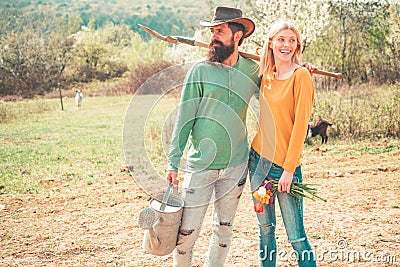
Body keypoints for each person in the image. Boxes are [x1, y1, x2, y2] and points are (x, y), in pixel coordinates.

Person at [165, 6, 260, 267]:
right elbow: (184, 119)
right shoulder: (200, 71)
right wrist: (173, 162)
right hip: (200, 167)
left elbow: (279, 88)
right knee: (186, 234)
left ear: (237, 36)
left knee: (224, 230)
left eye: (220, 31)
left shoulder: (253, 71)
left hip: (236, 166)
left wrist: (296, 68)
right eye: (212, 31)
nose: (213, 36)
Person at [249, 20, 317, 267]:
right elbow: (256, 53)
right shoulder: (267, 73)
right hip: (258, 165)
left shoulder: (301, 77)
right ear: (271, 43)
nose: (286, 44)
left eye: (291, 40)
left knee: (296, 237)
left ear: (297, 45)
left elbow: (300, 128)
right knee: (265, 231)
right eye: (280, 39)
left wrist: (289, 169)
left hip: (284, 169)